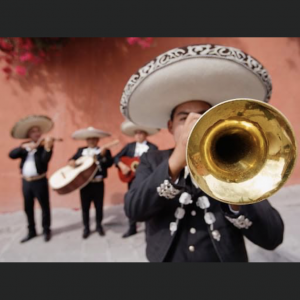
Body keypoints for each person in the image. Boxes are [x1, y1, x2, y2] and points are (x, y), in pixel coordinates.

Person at [120, 44, 284, 262]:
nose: (194, 124)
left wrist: (237, 197)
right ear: (170, 127)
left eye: (204, 116)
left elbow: (272, 237)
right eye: (183, 118)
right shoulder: (152, 159)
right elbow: (133, 210)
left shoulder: (234, 162)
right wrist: (176, 161)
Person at [9, 115, 54, 243]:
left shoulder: (44, 146)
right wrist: (24, 147)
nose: (36, 133)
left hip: (40, 181)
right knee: (28, 207)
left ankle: (46, 230)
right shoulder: (24, 146)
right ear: (29, 134)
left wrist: (48, 148)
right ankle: (31, 231)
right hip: (26, 182)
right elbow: (11, 155)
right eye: (33, 131)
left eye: (37, 131)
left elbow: (45, 160)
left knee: (44, 207)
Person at [114, 120, 159, 238]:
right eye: (136, 133)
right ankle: (132, 227)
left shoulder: (153, 147)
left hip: (147, 180)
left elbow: (156, 164)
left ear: (146, 134)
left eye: (141, 133)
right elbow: (116, 158)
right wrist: (122, 165)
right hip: (132, 180)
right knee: (132, 202)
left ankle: (149, 229)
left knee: (148, 202)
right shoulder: (129, 147)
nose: (138, 135)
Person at [69, 127, 114, 239]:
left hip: (98, 183)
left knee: (99, 206)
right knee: (85, 206)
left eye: (94, 139)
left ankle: (99, 225)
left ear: (97, 140)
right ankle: (86, 227)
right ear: (86, 140)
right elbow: (71, 160)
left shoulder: (104, 150)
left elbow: (109, 163)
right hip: (84, 183)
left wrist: (102, 156)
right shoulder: (81, 151)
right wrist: (71, 162)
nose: (91, 141)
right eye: (89, 139)